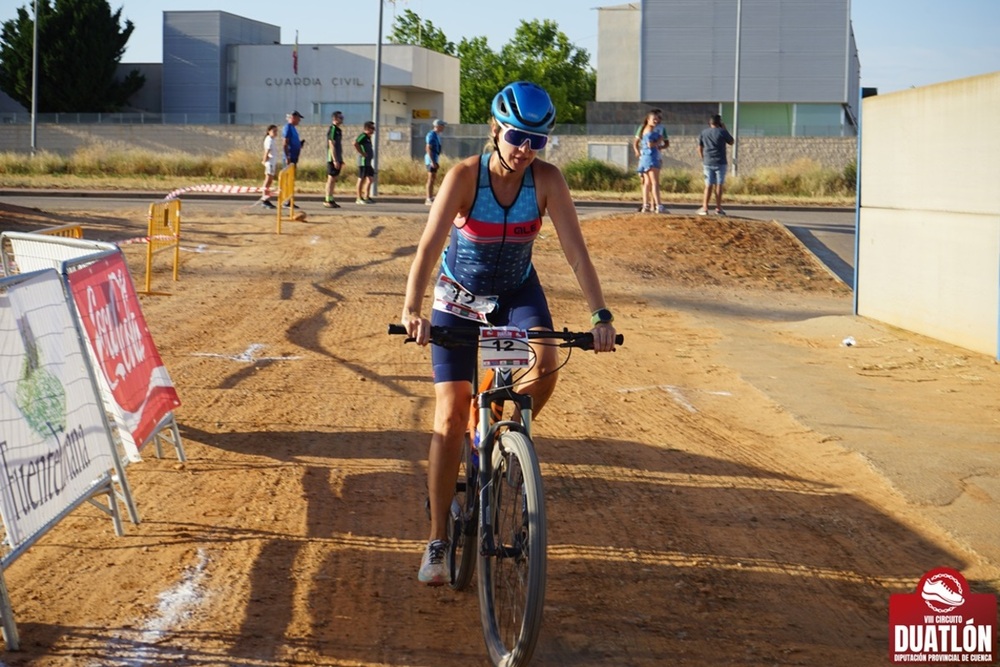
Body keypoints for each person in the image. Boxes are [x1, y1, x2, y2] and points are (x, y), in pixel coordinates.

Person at [400, 81, 618, 585]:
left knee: (545, 363)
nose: (524, 150)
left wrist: (600, 316)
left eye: (537, 141)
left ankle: (498, 435)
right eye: (518, 136)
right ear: (496, 129)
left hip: (516, 292)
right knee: (451, 413)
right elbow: (428, 249)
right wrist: (414, 309)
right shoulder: (463, 178)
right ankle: (436, 538)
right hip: (457, 298)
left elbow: (576, 253)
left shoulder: (546, 181)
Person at [697, 113, 735, 215]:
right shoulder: (722, 132)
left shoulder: (704, 132)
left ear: (710, 122)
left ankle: (705, 208)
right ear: (719, 123)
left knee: (708, 185)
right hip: (721, 162)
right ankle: (718, 208)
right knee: (719, 185)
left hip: (708, 162)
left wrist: (703, 159)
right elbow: (731, 142)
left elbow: (700, 148)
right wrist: (725, 129)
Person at [633, 109, 669, 214]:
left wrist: (660, 144)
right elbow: (650, 144)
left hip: (645, 157)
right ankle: (659, 206)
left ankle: (646, 205)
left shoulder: (647, 129)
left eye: (658, 119)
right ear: (648, 119)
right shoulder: (649, 130)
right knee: (655, 183)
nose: (657, 121)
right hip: (651, 157)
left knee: (647, 183)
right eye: (654, 119)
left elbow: (665, 143)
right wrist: (659, 140)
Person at [282, 110, 306, 209]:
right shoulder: (287, 128)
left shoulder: (293, 129)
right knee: (288, 179)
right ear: (293, 117)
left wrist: (300, 144)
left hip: (294, 157)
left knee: (291, 179)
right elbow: (285, 143)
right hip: (290, 157)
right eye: (298, 118)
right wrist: (287, 156)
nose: (299, 120)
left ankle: (290, 200)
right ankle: (286, 201)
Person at [324, 111, 345, 208]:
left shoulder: (338, 130)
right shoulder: (332, 129)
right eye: (340, 117)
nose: (342, 119)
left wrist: (340, 159)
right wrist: (335, 159)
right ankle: (327, 199)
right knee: (331, 178)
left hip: (338, 158)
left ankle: (331, 198)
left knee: (334, 179)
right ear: (335, 118)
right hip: (332, 159)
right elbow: (331, 144)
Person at [424, 119, 446, 205]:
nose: (443, 127)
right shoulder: (431, 135)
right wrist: (432, 161)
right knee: (430, 178)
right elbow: (428, 148)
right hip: (431, 159)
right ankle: (428, 198)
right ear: (438, 126)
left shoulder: (437, 135)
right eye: (442, 125)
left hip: (435, 158)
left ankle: (430, 197)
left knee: (433, 178)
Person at [354, 121, 376, 205]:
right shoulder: (363, 136)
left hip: (368, 162)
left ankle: (366, 196)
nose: (373, 130)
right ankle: (359, 198)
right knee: (361, 179)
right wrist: (362, 153)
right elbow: (355, 143)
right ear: (367, 128)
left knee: (370, 179)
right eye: (372, 128)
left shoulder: (368, 137)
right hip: (363, 162)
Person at [258, 124, 279, 209]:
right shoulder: (269, 140)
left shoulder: (272, 140)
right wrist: (264, 160)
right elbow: (267, 151)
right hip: (269, 163)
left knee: (270, 181)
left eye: (276, 131)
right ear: (268, 131)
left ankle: (266, 198)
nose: (275, 133)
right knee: (267, 180)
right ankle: (264, 199)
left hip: (272, 162)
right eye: (274, 131)